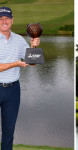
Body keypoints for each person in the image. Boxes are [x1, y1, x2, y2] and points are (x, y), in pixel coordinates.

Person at [0, 7, 40, 150]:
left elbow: (33, 62)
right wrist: (15, 63)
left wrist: (33, 46)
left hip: (12, 90)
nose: (4, 21)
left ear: (12, 20)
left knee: (9, 130)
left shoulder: (18, 39)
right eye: (1, 18)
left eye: (7, 18)